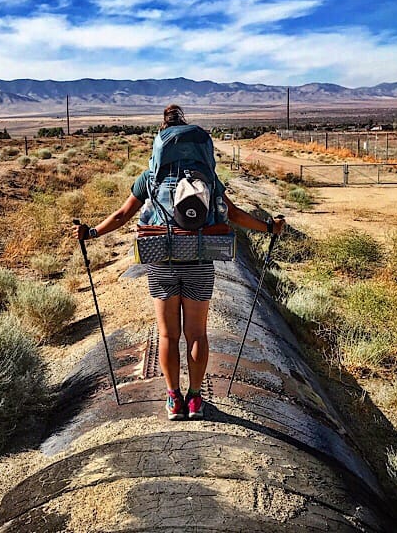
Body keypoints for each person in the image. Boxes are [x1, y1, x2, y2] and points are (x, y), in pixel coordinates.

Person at [72, 105, 284, 420]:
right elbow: (234, 214)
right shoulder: (207, 177)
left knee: (168, 335)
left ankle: (174, 400)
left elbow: (121, 215)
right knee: (197, 334)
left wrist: (90, 233)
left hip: (162, 261)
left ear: (161, 140)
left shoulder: (151, 177)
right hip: (200, 260)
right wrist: (268, 227)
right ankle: (196, 399)